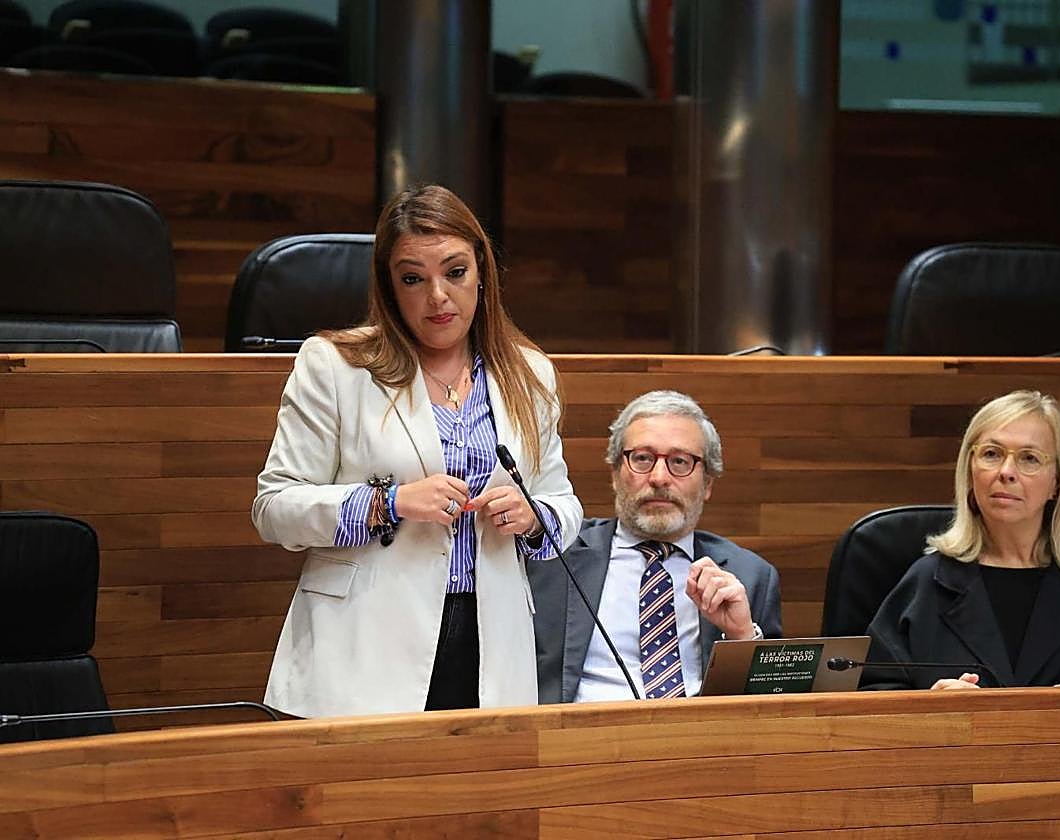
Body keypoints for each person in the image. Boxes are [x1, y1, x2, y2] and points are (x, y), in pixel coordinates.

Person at [252, 184, 582, 717]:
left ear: (482, 273)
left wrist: (533, 516)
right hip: (364, 642)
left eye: (455, 272)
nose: (438, 296)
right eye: (413, 278)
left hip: (490, 643)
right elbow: (274, 508)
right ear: (389, 286)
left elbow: (563, 505)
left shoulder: (530, 374)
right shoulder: (335, 366)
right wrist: (388, 502)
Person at [863, 390, 1060, 690]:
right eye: (991, 454)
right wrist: (933, 705)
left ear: (1057, 483)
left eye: (1029, 458)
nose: (1006, 472)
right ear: (970, 471)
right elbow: (872, 694)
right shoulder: (928, 581)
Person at [528, 390, 782, 703]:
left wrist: (741, 638)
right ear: (615, 474)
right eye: (642, 459)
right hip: (583, 728)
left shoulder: (751, 576)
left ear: (708, 484)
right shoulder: (554, 554)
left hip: (697, 730)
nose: (659, 478)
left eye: (680, 462)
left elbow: (774, 708)